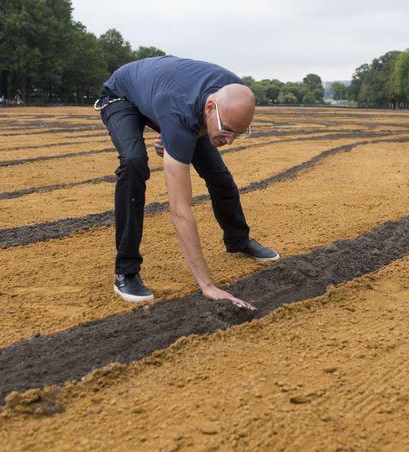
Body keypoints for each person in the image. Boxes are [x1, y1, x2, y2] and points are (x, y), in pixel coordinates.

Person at [96, 56, 279, 310]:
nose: (229, 142)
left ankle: (238, 240)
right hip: (122, 95)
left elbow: (195, 122)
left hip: (166, 97)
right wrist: (207, 285)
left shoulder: (235, 93)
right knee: (134, 163)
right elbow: (180, 210)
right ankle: (125, 271)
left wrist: (172, 137)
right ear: (211, 107)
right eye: (226, 131)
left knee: (219, 175)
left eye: (238, 133)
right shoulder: (180, 109)